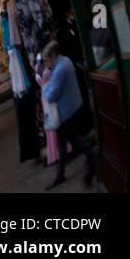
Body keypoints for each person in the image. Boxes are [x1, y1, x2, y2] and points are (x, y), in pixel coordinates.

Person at [40, 40, 95, 188]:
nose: (46, 64)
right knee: (67, 140)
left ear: (53, 56)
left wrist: (44, 87)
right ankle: (63, 172)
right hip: (72, 106)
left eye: (47, 60)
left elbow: (51, 95)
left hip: (66, 111)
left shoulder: (59, 70)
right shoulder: (66, 61)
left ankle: (90, 156)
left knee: (69, 140)